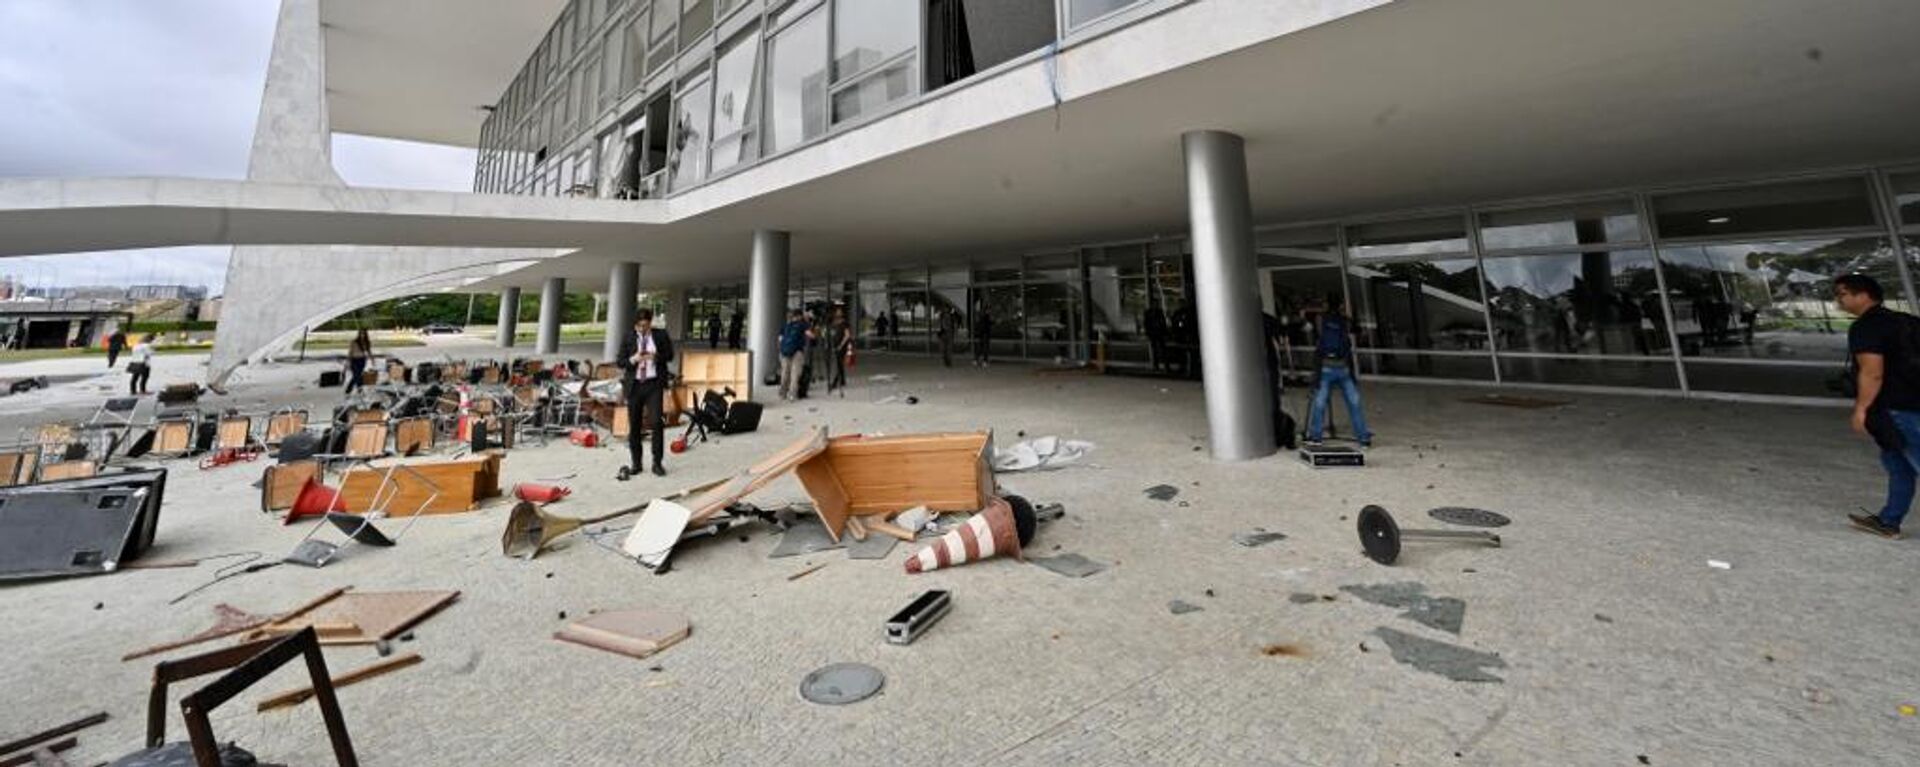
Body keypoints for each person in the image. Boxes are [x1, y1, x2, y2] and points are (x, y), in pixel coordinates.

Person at [1836, 274, 1920, 539]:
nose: (1838, 300)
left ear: (1863, 295)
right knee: (1898, 465)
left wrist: (1861, 409)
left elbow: (1872, 372)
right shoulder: (1906, 321)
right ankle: (1888, 521)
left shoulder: (1866, 327)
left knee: (1911, 459)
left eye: (1842, 294)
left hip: (1896, 408)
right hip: (1908, 403)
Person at [1305, 296, 1372, 448]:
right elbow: (1357, 329)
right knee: (1354, 402)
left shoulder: (1320, 319)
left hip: (1325, 368)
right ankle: (1363, 437)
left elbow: (1309, 321)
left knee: (1320, 402)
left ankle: (1316, 436)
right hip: (1343, 368)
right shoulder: (1345, 321)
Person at [617, 309, 675, 479]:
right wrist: (633, 359)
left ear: (651, 323)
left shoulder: (661, 335)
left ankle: (657, 463)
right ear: (635, 325)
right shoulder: (628, 337)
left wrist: (655, 357)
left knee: (657, 423)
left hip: (653, 385)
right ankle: (636, 463)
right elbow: (620, 361)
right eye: (639, 326)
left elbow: (670, 355)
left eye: (646, 325)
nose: (643, 328)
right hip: (634, 386)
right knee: (635, 426)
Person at [778, 309, 812, 401]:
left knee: (785, 373)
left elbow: (780, 339)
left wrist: (782, 350)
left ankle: (782, 393)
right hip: (797, 352)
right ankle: (792, 394)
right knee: (795, 374)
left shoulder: (785, 326)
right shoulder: (802, 325)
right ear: (800, 316)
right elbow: (810, 335)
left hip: (784, 352)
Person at [828, 310, 852, 395]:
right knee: (839, 364)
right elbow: (832, 334)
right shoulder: (835, 324)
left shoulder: (844, 324)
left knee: (839, 364)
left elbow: (847, 335)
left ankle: (836, 381)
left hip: (841, 347)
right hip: (836, 346)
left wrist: (841, 345)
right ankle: (842, 381)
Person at [345, 329, 372, 395]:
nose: (362, 335)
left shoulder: (366, 342)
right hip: (354, 360)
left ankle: (359, 389)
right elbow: (350, 352)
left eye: (363, 334)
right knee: (356, 375)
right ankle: (351, 389)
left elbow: (369, 351)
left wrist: (372, 359)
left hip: (362, 360)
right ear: (359, 334)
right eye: (361, 334)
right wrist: (348, 361)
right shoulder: (354, 342)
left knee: (358, 375)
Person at [1144, 302, 1169, 372]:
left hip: (1159, 333)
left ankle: (1165, 365)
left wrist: (1164, 332)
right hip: (1153, 333)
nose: (1155, 305)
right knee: (1155, 350)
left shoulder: (1159, 312)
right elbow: (1146, 323)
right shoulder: (1149, 313)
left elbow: (1163, 323)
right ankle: (1156, 365)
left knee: (1162, 350)